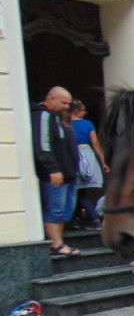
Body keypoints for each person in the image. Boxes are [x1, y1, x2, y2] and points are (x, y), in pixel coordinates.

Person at [32, 86, 80, 256]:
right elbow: (43, 145)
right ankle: (56, 244)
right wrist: (53, 169)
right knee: (55, 209)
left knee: (66, 210)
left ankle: (59, 241)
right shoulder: (43, 115)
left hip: (69, 174)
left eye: (68, 103)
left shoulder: (59, 118)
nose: (67, 106)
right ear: (51, 99)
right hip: (55, 175)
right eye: (64, 102)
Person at [69, 99, 107, 230]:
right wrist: (103, 162)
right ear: (76, 110)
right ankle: (92, 218)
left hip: (72, 156)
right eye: (83, 109)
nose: (85, 112)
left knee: (79, 190)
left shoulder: (66, 123)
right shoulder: (88, 124)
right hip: (87, 155)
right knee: (81, 191)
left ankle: (78, 220)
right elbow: (95, 144)